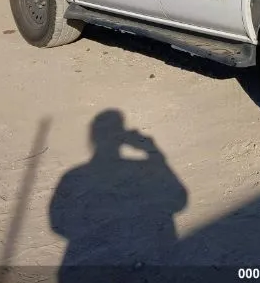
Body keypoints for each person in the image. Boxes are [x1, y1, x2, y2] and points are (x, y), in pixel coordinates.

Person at [49, 110, 187, 278]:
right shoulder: (141, 170)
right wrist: (153, 152)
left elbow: (58, 223)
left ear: (92, 139)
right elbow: (178, 200)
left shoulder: (74, 176)